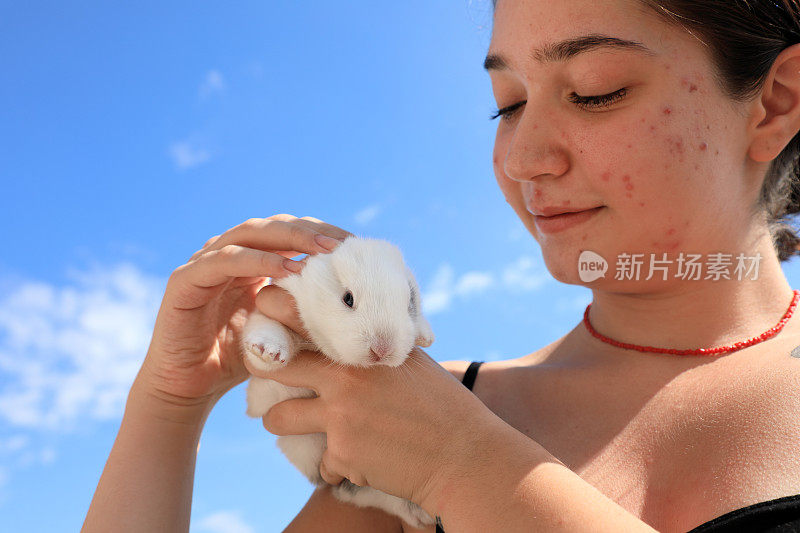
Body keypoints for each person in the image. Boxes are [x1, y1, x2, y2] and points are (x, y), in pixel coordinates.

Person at [81, 0, 800, 531]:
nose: (523, 160)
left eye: (594, 89)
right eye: (507, 104)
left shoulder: (439, 432)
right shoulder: (420, 408)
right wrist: (168, 405)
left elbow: (455, 453)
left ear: (775, 102)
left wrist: (466, 467)